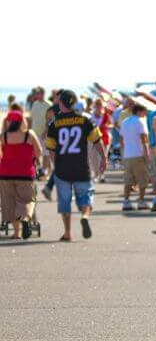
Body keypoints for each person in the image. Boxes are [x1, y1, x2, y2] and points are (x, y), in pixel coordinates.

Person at [44, 90, 107, 241]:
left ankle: (68, 233)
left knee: (65, 201)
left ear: (60, 103)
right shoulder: (85, 120)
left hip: (62, 167)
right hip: (81, 165)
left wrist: (55, 165)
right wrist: (104, 158)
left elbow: (51, 149)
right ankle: (85, 215)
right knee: (85, 196)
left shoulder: (54, 123)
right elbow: (97, 140)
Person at [0, 111, 42, 239]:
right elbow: (39, 151)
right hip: (25, 173)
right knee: (28, 200)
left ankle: (16, 233)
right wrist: (33, 160)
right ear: (22, 121)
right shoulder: (29, 134)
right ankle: (26, 218)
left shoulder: (3, 136)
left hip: (6, 174)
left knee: (9, 203)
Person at [120, 104, 150, 211]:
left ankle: (126, 201)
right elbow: (144, 139)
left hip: (127, 154)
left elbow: (121, 138)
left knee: (128, 180)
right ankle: (141, 201)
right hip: (138, 154)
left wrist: (123, 152)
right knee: (143, 179)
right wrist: (147, 154)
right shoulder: (140, 121)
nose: (145, 114)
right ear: (139, 111)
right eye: (144, 111)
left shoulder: (125, 122)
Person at [90, 99, 112, 182]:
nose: (99, 107)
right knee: (94, 157)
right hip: (93, 139)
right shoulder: (91, 116)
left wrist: (107, 126)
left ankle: (101, 175)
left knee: (103, 157)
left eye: (101, 105)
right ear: (94, 106)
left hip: (105, 138)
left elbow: (111, 124)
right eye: (97, 105)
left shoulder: (106, 115)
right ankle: (95, 174)